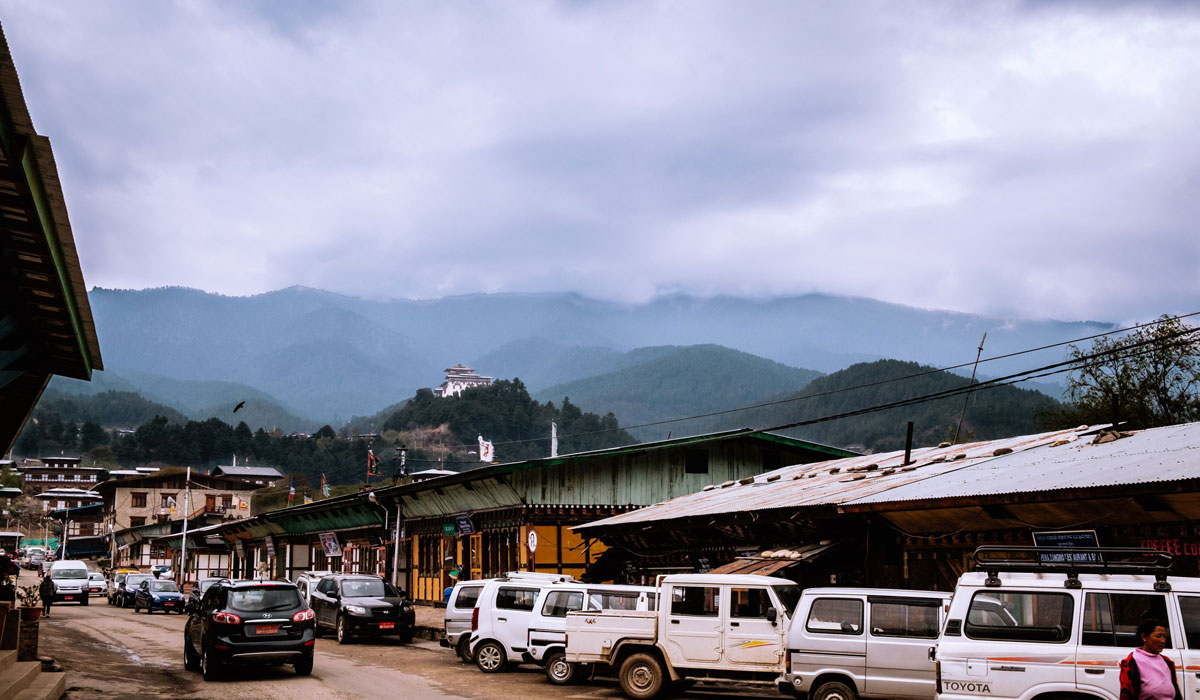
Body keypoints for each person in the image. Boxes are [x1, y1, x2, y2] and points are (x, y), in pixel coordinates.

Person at [1120, 618, 1182, 700]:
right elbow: (1126, 695)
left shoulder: (1167, 662)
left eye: (1164, 637)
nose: (1162, 641)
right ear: (1144, 637)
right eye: (1158, 636)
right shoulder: (1132, 663)